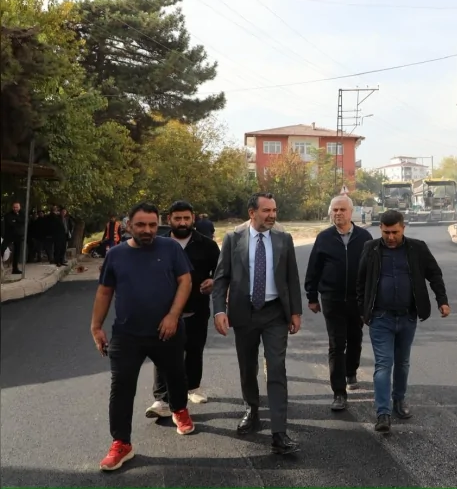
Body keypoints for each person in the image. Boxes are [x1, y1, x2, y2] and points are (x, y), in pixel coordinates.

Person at [90, 202, 196, 472]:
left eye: (151, 224)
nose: (147, 230)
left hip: (167, 330)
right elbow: (104, 291)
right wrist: (96, 326)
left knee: (175, 375)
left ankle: (179, 409)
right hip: (127, 335)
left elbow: (186, 281)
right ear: (129, 226)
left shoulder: (170, 248)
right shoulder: (115, 255)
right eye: (140, 225)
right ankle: (121, 443)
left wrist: (173, 315)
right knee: (121, 388)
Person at [212, 192, 303, 455]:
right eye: (266, 211)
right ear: (252, 212)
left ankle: (279, 432)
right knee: (247, 366)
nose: (272, 215)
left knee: (276, 368)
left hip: (275, 313)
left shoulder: (284, 238)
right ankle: (252, 409)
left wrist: (295, 312)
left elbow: (291, 278)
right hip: (244, 313)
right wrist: (219, 310)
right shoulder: (233, 238)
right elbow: (221, 278)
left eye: (275, 210)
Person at [356, 209, 450, 433]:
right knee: (383, 364)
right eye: (386, 232)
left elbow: (434, 274)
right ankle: (383, 413)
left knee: (403, 362)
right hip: (380, 318)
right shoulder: (371, 249)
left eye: (395, 232)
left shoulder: (417, 248)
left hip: (407, 317)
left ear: (403, 228)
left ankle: (399, 400)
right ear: (380, 228)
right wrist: (363, 310)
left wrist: (442, 301)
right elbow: (360, 282)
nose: (390, 237)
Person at [145, 201, 221, 420]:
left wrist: (212, 281)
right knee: (162, 353)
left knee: (194, 348)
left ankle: (193, 388)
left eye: (186, 218)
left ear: (193, 218)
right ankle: (161, 399)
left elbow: (221, 271)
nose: (182, 222)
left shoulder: (206, 245)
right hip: (163, 310)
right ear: (169, 219)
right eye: (177, 218)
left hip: (196, 308)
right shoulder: (157, 244)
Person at [304, 195, 373, 411]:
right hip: (332, 299)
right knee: (336, 344)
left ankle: (351, 371)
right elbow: (313, 268)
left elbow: (372, 271)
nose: (338, 213)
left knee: (355, 338)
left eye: (342, 209)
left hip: (357, 299)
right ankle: (339, 392)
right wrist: (312, 296)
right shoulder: (324, 238)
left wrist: (371, 300)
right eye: (334, 210)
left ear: (351, 212)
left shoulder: (365, 237)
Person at [1, 201, 25, 275]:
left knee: (17, 253)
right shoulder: (8, 215)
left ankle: (15, 268)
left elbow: (23, 221)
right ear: (12, 207)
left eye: (17, 207)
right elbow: (10, 223)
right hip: (9, 235)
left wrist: (16, 221)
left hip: (18, 236)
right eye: (14, 207)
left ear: (19, 207)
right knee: (2, 248)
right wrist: (17, 222)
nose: (15, 209)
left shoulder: (22, 214)